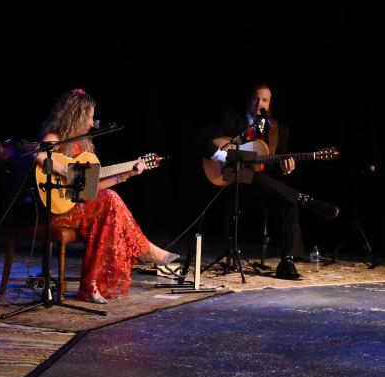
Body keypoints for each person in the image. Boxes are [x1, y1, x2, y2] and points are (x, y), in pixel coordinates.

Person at [35, 88, 179, 304]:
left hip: (80, 206)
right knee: (110, 202)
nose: (92, 123)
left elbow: (93, 188)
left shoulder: (85, 147)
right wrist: (68, 171)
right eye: (90, 116)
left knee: (109, 206)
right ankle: (146, 250)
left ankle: (92, 285)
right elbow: (38, 155)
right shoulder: (54, 137)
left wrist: (126, 174)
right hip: (57, 210)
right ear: (77, 115)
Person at [200, 82, 340, 279]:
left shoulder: (278, 129)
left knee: (288, 201)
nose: (260, 103)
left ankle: (287, 262)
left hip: (265, 187)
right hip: (234, 184)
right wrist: (225, 157)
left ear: (270, 103)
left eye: (264, 100)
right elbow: (201, 140)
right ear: (249, 101)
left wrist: (287, 169)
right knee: (255, 175)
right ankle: (307, 200)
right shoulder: (232, 120)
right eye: (256, 99)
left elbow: (277, 165)